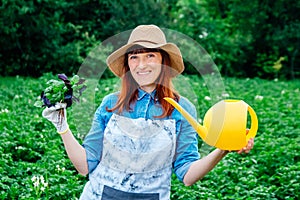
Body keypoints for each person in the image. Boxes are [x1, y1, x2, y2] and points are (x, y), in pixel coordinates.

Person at [42, 24, 254, 200]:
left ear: (164, 61)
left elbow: (187, 174)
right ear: (127, 64)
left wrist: (223, 148)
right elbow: (85, 167)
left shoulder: (182, 109)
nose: (141, 65)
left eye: (150, 55)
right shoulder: (111, 104)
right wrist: (63, 127)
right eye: (134, 57)